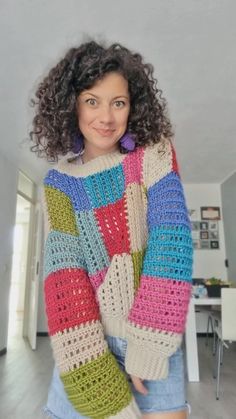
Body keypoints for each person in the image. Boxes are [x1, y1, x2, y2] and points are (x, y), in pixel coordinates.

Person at [30, 40, 193, 419]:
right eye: (92, 100)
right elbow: (64, 283)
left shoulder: (153, 154)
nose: (106, 116)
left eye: (118, 102)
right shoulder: (58, 184)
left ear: (133, 106)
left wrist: (148, 347)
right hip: (85, 349)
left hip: (153, 337)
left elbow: (172, 243)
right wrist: (99, 388)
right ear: (71, 105)